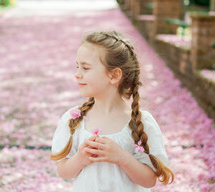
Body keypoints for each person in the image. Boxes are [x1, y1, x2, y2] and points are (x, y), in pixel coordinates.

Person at [50, 31, 173, 191]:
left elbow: (149, 180)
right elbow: (64, 171)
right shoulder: (73, 119)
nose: (77, 74)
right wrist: (80, 158)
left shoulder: (141, 122)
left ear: (114, 75)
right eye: (77, 66)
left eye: (85, 68)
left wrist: (123, 158)